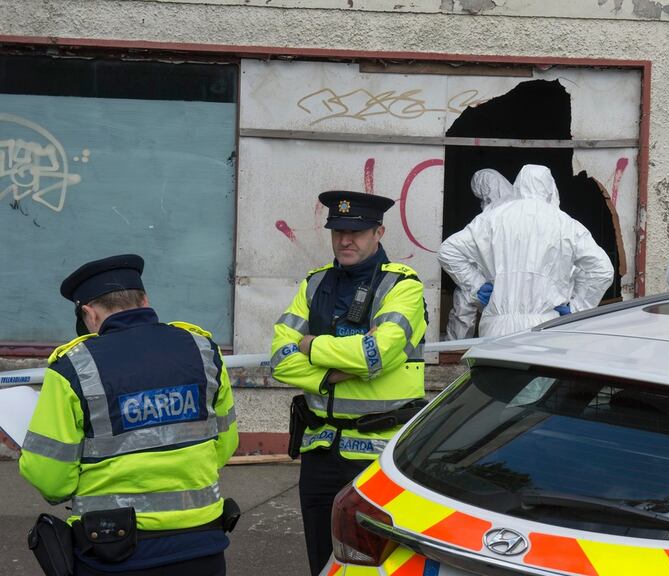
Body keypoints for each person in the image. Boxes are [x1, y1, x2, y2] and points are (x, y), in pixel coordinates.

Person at [20, 254, 239, 576]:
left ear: (88, 313)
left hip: (114, 550)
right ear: (144, 300)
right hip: (202, 542)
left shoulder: (73, 368)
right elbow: (224, 445)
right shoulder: (203, 350)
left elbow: (50, 479)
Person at [269, 190, 426, 576]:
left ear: (379, 232)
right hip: (320, 450)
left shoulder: (403, 287)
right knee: (321, 562)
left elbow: (375, 355)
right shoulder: (314, 283)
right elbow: (278, 359)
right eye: (338, 230)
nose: (345, 240)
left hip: (377, 456)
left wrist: (311, 345)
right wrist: (331, 374)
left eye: (356, 231)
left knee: (376, 565)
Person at [438, 164, 614, 337]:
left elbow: (448, 251)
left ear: (518, 185)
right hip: (546, 327)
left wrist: (476, 284)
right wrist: (577, 309)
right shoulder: (565, 224)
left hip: (496, 327)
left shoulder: (491, 219)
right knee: (539, 367)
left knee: (497, 366)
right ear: (550, 188)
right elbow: (602, 269)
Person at [445, 168, 514, 340]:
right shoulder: (523, 205)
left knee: (465, 297)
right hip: (513, 270)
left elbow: (452, 250)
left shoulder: (490, 215)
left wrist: (475, 281)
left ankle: (455, 347)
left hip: (496, 268)